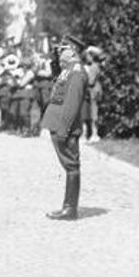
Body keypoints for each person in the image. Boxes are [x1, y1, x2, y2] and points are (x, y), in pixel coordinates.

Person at [40, 35, 89, 220]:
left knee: (71, 165)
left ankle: (70, 208)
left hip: (64, 126)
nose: (60, 51)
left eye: (64, 48)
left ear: (73, 51)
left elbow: (72, 104)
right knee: (69, 165)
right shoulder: (68, 70)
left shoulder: (76, 72)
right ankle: (68, 207)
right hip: (58, 123)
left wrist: (64, 129)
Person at [82, 46, 105, 142]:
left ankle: (95, 134)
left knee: (94, 113)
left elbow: (91, 81)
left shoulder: (95, 66)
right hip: (88, 92)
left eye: (89, 56)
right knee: (87, 113)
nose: (87, 58)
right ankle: (87, 133)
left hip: (94, 92)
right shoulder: (87, 66)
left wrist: (84, 77)